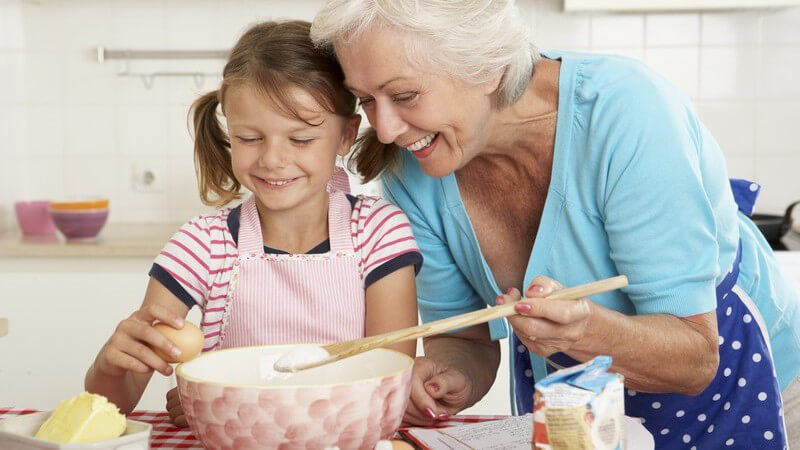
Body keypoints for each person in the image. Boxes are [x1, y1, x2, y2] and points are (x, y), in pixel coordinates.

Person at [311, 1, 800, 448]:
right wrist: (444, 375)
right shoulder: (411, 171)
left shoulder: (626, 113)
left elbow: (695, 356)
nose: (388, 129)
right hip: (573, 400)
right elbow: (462, 338)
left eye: (405, 95)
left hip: (743, 381)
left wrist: (582, 334)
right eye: (367, 101)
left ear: (486, 67)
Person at [84, 20, 422, 427]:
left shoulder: (379, 232)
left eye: (300, 140)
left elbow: (387, 380)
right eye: (249, 138)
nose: (272, 159)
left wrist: (232, 402)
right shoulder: (201, 245)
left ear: (346, 135)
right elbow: (112, 406)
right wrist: (112, 366)